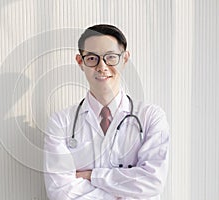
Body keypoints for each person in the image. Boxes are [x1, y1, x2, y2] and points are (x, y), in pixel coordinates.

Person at [43, 24, 170, 200]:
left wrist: (91, 176)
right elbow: (60, 191)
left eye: (110, 57)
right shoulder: (61, 122)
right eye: (92, 58)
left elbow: (153, 182)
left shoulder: (151, 117)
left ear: (125, 59)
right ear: (80, 62)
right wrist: (123, 191)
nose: (102, 67)